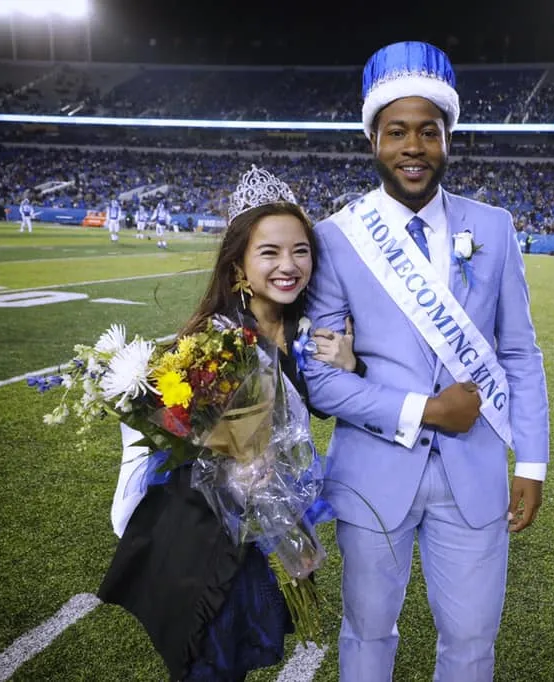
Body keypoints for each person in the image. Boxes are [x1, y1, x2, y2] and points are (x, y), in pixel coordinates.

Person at [303, 41, 550, 682]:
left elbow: (520, 351)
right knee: (365, 633)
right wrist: (426, 409)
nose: (414, 146)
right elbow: (322, 378)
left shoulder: (493, 228)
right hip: (371, 473)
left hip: (475, 478)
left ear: (447, 139)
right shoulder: (333, 238)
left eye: (429, 131)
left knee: (471, 644)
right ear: (373, 141)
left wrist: (531, 460)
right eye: (397, 132)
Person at [97, 165, 359, 682]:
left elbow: (321, 406)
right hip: (206, 541)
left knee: (237, 660)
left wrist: (351, 366)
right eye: (270, 252)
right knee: (209, 663)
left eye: (300, 250)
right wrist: (234, 463)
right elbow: (183, 434)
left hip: (262, 538)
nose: (289, 265)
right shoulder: (215, 342)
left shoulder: (308, 333)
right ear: (238, 264)